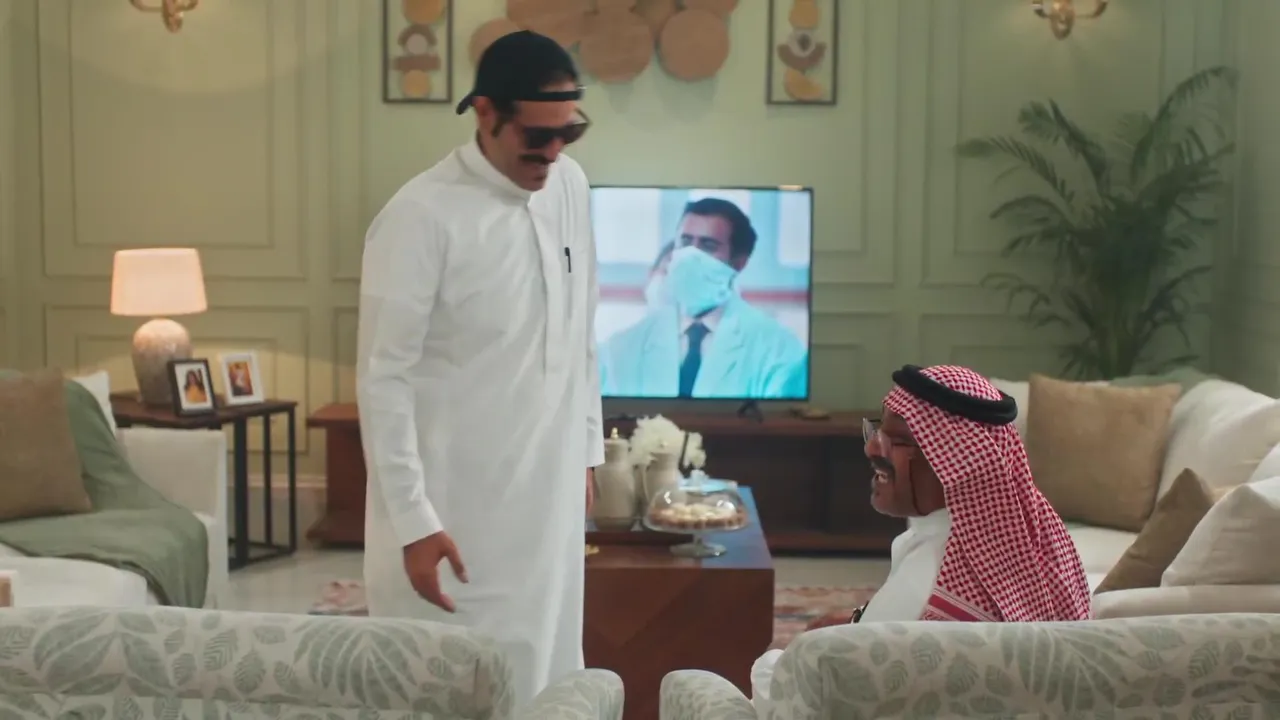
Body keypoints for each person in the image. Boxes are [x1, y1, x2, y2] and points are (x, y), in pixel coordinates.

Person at [355, 30, 602, 708]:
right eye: (536, 137)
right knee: (451, 689)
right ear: (485, 113)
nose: (552, 153)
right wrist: (412, 522)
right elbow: (383, 379)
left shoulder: (571, 186)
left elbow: (582, 328)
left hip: (547, 500)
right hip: (455, 513)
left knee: (548, 677)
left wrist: (585, 453)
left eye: (567, 134)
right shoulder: (418, 217)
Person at [750, 364, 1091, 710]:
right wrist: (858, 622)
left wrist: (780, 659)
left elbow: (797, 700)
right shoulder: (1034, 542)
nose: (871, 449)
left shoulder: (931, 579)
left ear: (957, 462)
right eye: (876, 431)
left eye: (896, 441)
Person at [599, 198, 807, 399]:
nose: (690, 255)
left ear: (738, 263)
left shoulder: (778, 349)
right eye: (685, 242)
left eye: (708, 246)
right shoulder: (621, 348)